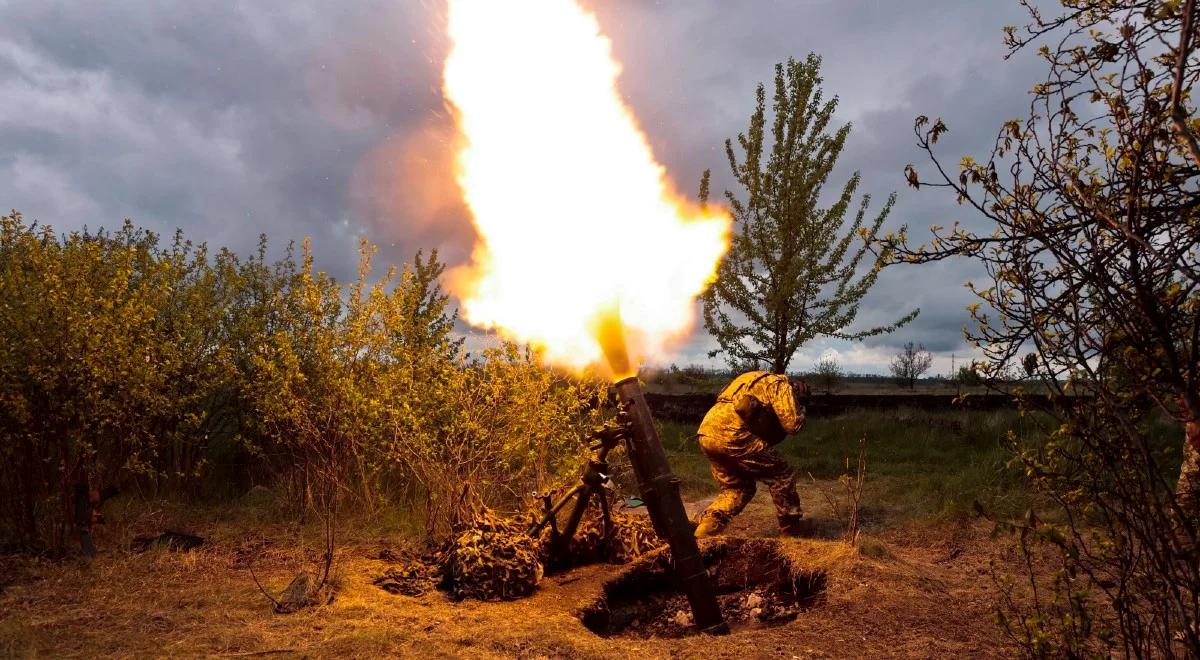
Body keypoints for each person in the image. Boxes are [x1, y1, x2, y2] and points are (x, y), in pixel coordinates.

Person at [694, 370, 810, 538]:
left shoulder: (750, 379)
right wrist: (802, 410)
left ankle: (706, 529)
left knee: (738, 488)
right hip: (734, 434)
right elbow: (792, 425)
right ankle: (791, 528)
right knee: (781, 473)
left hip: (707, 432)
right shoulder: (780, 384)